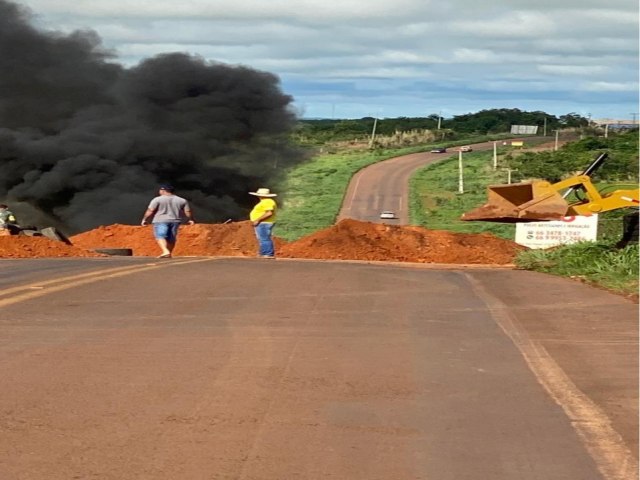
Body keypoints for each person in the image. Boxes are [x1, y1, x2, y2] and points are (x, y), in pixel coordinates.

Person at [141, 185, 195, 258]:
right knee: (171, 237)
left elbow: (150, 210)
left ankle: (165, 251)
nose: (159, 191)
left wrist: (144, 219)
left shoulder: (157, 199)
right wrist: (190, 219)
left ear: (163, 191)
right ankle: (169, 253)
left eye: (160, 190)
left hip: (160, 220)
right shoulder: (182, 200)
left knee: (160, 235)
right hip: (175, 221)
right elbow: (187, 211)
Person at [249, 187, 277, 258]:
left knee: (264, 238)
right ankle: (263, 253)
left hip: (264, 223)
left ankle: (268, 253)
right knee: (262, 238)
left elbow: (269, 213)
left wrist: (258, 220)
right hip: (263, 222)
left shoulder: (267, 202)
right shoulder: (265, 201)